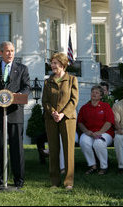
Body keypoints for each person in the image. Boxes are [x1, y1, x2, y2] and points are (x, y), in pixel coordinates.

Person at [0, 41, 30, 189]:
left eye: (12, 50)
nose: (10, 53)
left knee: (17, 148)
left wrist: (19, 94)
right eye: (7, 51)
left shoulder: (22, 69)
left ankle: (18, 181)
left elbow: (27, 87)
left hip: (15, 113)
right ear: (1, 52)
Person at [42, 52, 79, 190]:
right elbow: (44, 101)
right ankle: (54, 182)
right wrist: (53, 113)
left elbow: (74, 100)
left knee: (68, 150)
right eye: (52, 63)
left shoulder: (72, 80)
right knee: (53, 149)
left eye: (55, 63)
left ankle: (68, 182)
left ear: (63, 65)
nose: (52, 65)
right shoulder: (47, 81)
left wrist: (62, 114)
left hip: (68, 119)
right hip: (51, 119)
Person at [77, 85, 114, 175]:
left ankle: (103, 167)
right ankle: (92, 165)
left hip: (105, 132)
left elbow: (109, 122)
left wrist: (99, 132)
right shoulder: (84, 107)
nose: (94, 94)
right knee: (83, 141)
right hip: (89, 132)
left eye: (97, 93)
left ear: (101, 96)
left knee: (99, 143)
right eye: (93, 92)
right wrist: (86, 131)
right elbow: (80, 122)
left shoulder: (106, 106)